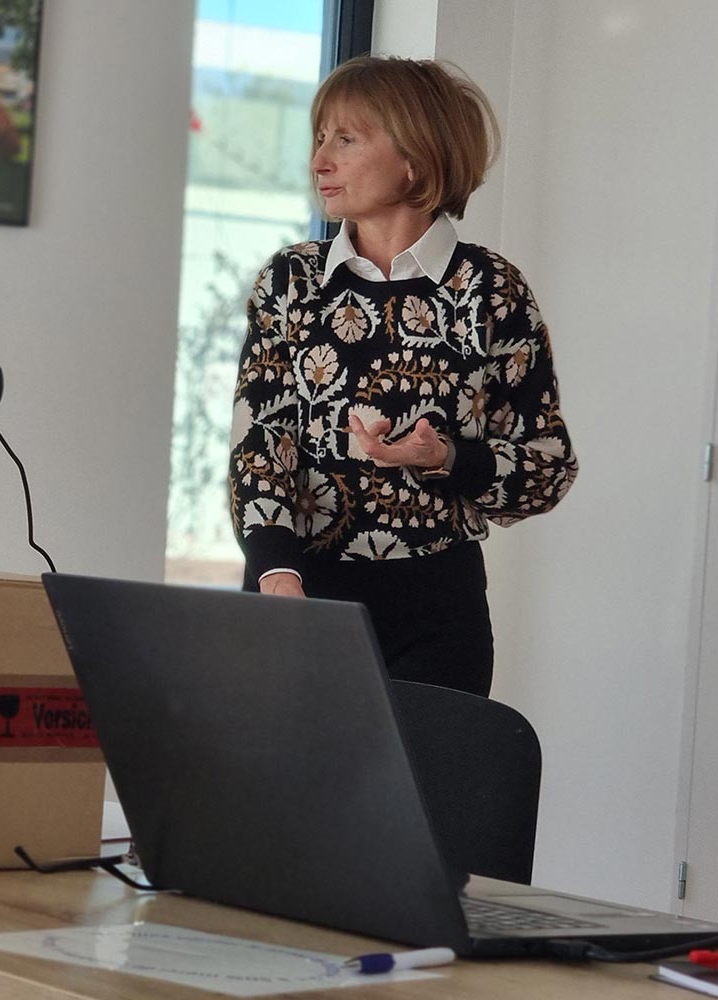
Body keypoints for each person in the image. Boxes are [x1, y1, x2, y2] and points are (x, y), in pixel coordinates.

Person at [229, 56, 578, 698]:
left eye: (346, 138)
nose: (319, 161)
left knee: (425, 798)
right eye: (319, 138)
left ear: (414, 158)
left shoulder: (491, 289)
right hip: (299, 594)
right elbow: (260, 443)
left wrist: (446, 457)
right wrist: (276, 575)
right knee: (292, 800)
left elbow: (546, 469)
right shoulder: (291, 282)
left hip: (437, 614)